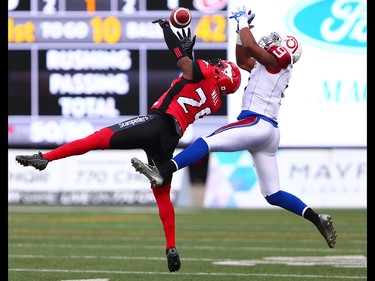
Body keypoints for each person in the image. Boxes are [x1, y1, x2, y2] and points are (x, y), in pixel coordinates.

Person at [15, 18, 242, 272]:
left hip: (157, 123)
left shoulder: (204, 71)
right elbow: (191, 79)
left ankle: (46, 157)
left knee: (97, 138)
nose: (218, 64)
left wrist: (168, 30)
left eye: (222, 66)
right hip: (171, 137)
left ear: (221, 74)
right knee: (162, 193)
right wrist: (188, 52)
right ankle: (171, 245)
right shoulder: (216, 102)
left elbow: (184, 64)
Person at [131, 7, 337, 249]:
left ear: (285, 51)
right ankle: (316, 218)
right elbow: (242, 59)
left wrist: (242, 23)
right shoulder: (270, 67)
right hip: (268, 133)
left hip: (256, 122)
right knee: (272, 193)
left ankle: (162, 171)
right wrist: (240, 33)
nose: (272, 43)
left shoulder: (279, 60)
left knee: (205, 142)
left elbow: (251, 46)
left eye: (277, 43)